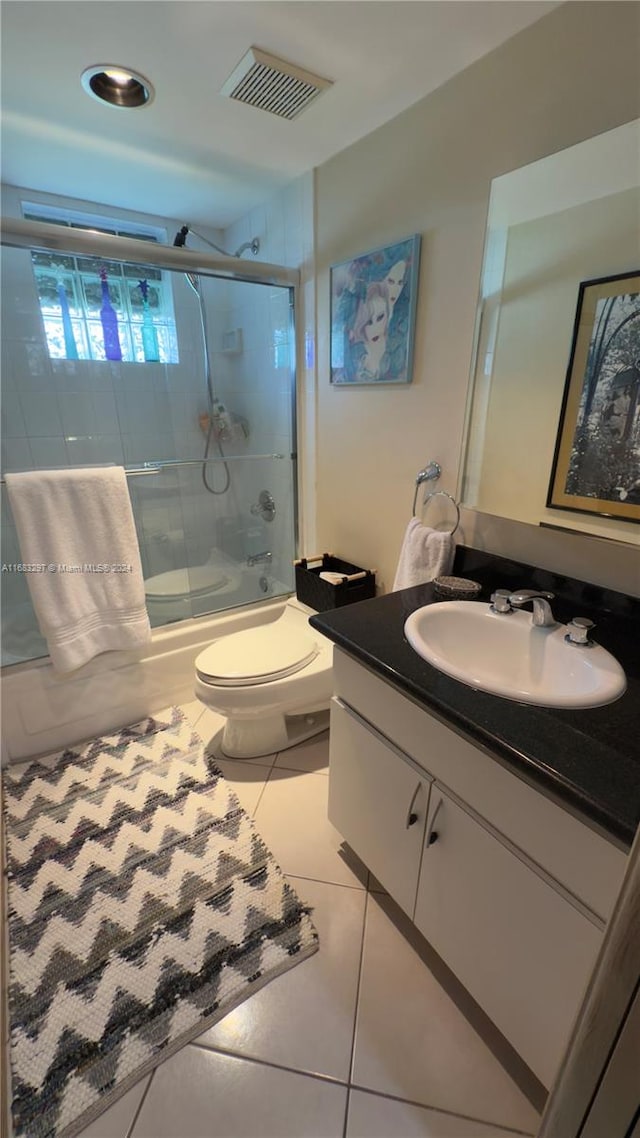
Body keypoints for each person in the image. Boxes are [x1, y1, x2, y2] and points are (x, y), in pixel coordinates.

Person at [348, 281, 391, 380]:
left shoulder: (393, 353)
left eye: (380, 317)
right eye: (369, 322)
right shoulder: (357, 357)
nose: (375, 327)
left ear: (388, 315)